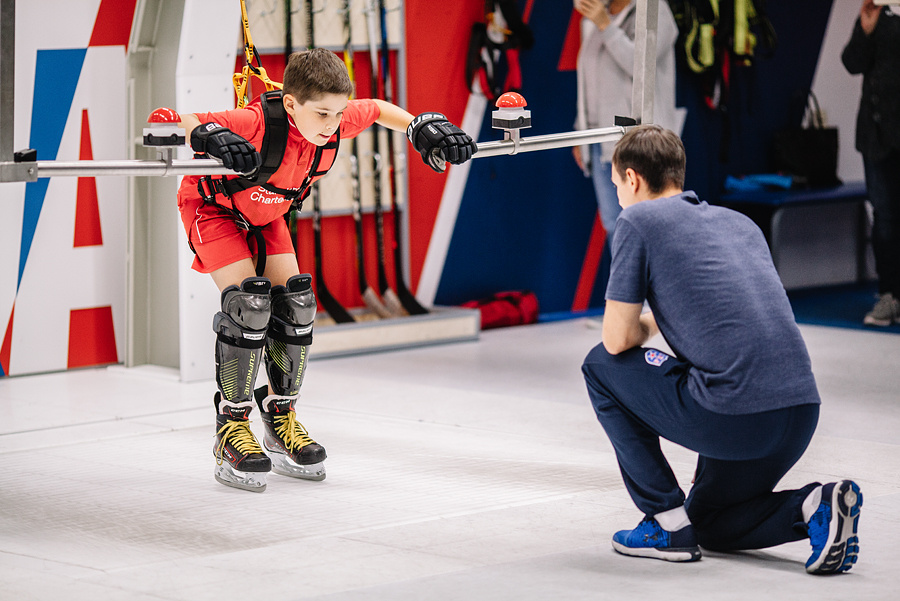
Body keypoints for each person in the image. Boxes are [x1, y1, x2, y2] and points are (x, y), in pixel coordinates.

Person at [176, 48, 477, 493]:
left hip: (266, 213)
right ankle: (231, 429)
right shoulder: (257, 123)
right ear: (291, 103)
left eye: (338, 114)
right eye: (323, 114)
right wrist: (206, 135)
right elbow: (169, 119)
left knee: (296, 309)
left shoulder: (334, 116)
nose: (334, 124)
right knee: (249, 307)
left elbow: (375, 110)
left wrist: (418, 126)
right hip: (213, 209)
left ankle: (280, 420)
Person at [581, 125, 862, 574]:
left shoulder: (637, 222)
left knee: (599, 366)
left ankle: (664, 522)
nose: (617, 195)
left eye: (616, 185)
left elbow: (615, 340)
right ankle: (812, 507)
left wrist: (651, 323)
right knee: (709, 523)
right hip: (800, 412)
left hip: (735, 416)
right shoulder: (739, 222)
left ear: (632, 179)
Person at [571, 0, 682, 241]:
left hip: (642, 144)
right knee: (617, 227)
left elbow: (641, 66)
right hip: (601, 143)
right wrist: (581, 131)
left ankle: (654, 280)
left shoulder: (654, 9)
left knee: (649, 225)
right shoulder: (591, 20)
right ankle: (627, 280)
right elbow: (589, 81)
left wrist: (605, 24)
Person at [841, 0, 900, 326]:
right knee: (886, 217)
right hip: (878, 137)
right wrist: (865, 30)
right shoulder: (878, 13)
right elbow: (852, 62)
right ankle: (889, 295)